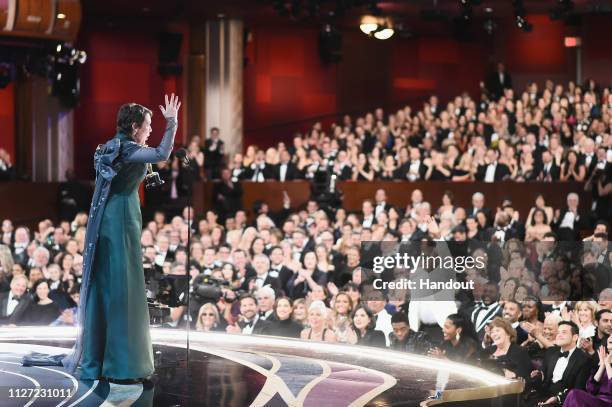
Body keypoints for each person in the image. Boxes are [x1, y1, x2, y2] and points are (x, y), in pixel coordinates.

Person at [63, 95, 181, 381]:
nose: (151, 129)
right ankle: (119, 363)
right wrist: (172, 123)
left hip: (123, 216)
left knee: (117, 285)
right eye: (148, 125)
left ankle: (104, 357)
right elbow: (161, 154)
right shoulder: (125, 149)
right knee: (120, 288)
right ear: (134, 126)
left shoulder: (122, 146)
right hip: (118, 221)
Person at [528, 321, 592, 407]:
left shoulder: (584, 359)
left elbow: (578, 389)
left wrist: (557, 398)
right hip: (543, 396)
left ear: (575, 337)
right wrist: (538, 376)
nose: (559, 335)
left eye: (564, 332)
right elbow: (543, 377)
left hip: (565, 401)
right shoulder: (551, 352)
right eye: (558, 332)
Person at [563, 335, 612, 407]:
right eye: (610, 335)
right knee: (574, 394)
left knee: (575, 394)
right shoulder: (604, 360)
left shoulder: (608, 364)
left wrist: (607, 365)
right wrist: (602, 366)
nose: (610, 337)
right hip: (597, 400)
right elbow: (591, 389)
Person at [481, 317, 532, 382]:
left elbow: (527, 378)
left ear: (508, 333)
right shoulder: (487, 351)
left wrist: (514, 375)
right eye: (492, 332)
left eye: (497, 330)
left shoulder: (520, 352)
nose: (494, 334)